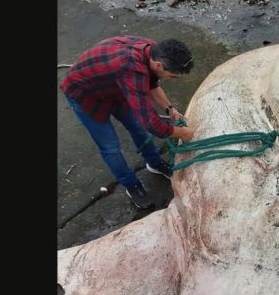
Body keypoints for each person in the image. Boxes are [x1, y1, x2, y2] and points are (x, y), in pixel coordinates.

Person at [61, 36, 197, 208]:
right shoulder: (131, 69)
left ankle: (155, 163)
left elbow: (152, 84)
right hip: (85, 95)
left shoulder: (153, 51)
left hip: (117, 88)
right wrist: (184, 133)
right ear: (159, 66)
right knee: (110, 148)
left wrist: (170, 110)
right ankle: (131, 185)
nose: (172, 79)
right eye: (172, 76)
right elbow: (152, 124)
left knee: (139, 130)